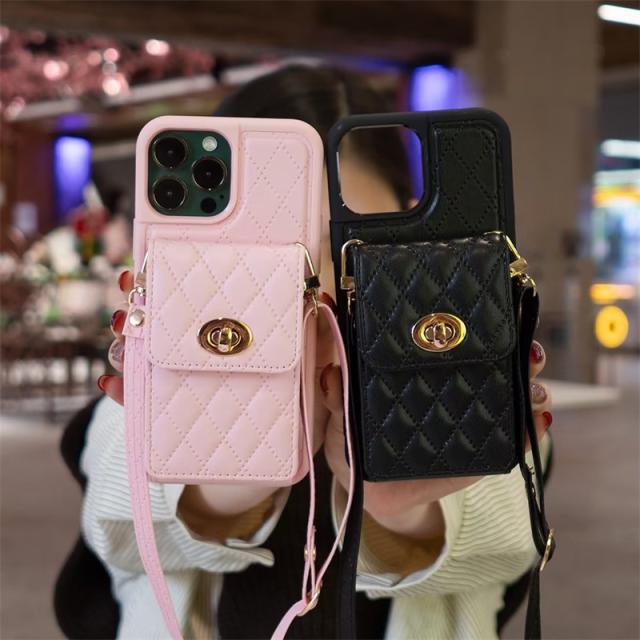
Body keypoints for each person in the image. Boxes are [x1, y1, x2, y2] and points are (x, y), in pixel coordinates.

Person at [74, 65, 553, 639]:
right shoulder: (159, 371)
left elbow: (508, 549)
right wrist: (228, 479)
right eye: (280, 246)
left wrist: (400, 507)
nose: (315, 281)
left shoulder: (468, 371)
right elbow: (116, 534)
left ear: (411, 225)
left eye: (346, 244)